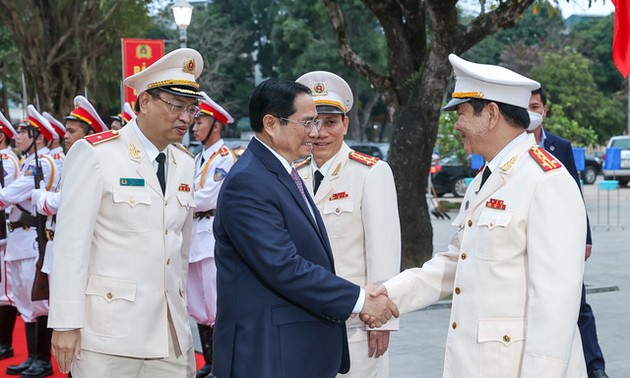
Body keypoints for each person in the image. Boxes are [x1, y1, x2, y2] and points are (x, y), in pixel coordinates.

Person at [370, 54, 589, 377]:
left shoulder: (546, 181)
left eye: (461, 113)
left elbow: (556, 303)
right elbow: (457, 262)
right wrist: (392, 292)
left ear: (491, 114)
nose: (456, 124)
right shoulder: (486, 179)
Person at [211, 78, 399, 378]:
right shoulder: (249, 181)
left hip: (299, 344)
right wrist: (362, 299)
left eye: (321, 122)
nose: (315, 133)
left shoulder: (278, 172)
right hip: (268, 351)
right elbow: (282, 266)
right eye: (307, 123)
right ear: (271, 124)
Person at [48, 48, 203, 378]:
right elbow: (70, 245)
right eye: (176, 106)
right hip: (108, 336)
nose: (186, 118)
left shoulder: (184, 163)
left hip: (170, 335)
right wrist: (65, 323)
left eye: (192, 109)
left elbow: (180, 251)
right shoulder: (96, 154)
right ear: (145, 102)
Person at [295, 71, 401, 378]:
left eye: (330, 122)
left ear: (345, 124)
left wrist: (382, 321)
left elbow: (384, 251)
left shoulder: (371, 173)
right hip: (303, 322)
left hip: (355, 325)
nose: (319, 132)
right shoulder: (292, 174)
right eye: (311, 122)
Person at [528, 88, 609, 378]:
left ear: (545, 110)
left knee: (579, 301)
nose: (531, 112)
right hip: (531, 236)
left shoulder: (559, 147)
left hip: (563, 237)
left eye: (535, 106)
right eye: (526, 106)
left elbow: (576, 192)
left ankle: (595, 366)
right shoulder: (511, 145)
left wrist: (585, 236)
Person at [0, 105, 58, 377]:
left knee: (37, 301)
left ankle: (43, 360)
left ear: (40, 138)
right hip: (18, 239)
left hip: (31, 238)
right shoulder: (28, 162)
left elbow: (10, 194)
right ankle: (34, 356)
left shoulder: (41, 163)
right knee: (24, 300)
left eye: (24, 132)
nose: (18, 135)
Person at [188, 92, 236, 378]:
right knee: (197, 304)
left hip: (210, 235)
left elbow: (206, 198)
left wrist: (178, 197)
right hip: (195, 235)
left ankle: (222, 365)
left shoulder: (223, 158)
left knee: (215, 305)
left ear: (216, 125)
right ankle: (209, 361)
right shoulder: (198, 159)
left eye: (200, 120)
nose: (194, 126)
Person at [0, 112, 19, 362]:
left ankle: (5, 343)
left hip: (5, 233)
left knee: (5, 291)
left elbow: (6, 196)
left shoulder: (6, 160)